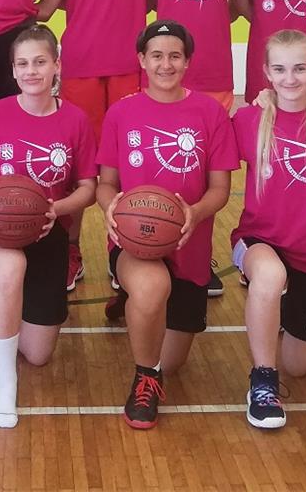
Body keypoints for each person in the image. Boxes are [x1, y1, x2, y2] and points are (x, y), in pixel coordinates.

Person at [97, 21, 238, 430]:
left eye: (175, 55)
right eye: (156, 55)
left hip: (187, 244)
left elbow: (220, 189)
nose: (165, 64)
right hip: (135, 241)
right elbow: (106, 184)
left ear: (187, 61)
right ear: (142, 60)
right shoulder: (121, 113)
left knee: (172, 361)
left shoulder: (210, 113)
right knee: (152, 294)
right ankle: (145, 378)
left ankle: (135, 305)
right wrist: (111, 207)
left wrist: (194, 212)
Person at [0, 25, 97, 428]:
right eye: (22, 64)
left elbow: (88, 188)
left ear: (57, 65)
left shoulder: (76, 120)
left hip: (46, 231)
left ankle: (5, 303)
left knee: (39, 354)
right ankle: (6, 384)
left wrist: (55, 209)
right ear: (13, 69)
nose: (31, 71)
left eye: (40, 62)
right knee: (11, 266)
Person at [38, 0, 152, 292]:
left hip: (129, 66)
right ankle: (70, 251)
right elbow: (46, 7)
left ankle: (122, 248)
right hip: (81, 66)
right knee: (76, 165)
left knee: (124, 163)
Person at [230, 30, 306, 429]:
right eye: (279, 69)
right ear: (266, 72)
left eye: (299, 68)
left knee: (299, 367)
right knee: (270, 275)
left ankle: (277, 314)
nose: (290, 78)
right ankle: (262, 380)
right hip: (262, 240)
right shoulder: (248, 120)